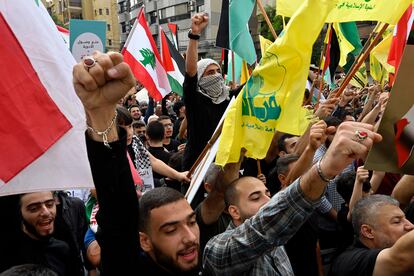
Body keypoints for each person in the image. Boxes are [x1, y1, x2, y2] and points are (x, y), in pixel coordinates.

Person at [72, 51, 381, 275]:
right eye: (170, 230)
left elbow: (266, 225)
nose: (189, 237)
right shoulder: (131, 266)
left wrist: (326, 167)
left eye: (190, 222)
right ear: (145, 241)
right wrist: (101, 116)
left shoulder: (213, 258)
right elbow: (117, 208)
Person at [202, 119, 382, 275]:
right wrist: (324, 168)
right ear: (234, 211)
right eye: (255, 197)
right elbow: (266, 225)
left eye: (268, 194)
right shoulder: (218, 251)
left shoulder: (277, 242)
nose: (268, 201)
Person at [182, 13, 242, 171]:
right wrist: (194, 35)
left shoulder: (231, 97)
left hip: (224, 164)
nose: (215, 75)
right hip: (197, 165)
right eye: (209, 73)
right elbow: (190, 73)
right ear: (201, 78)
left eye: (217, 71)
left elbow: (256, 81)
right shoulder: (195, 99)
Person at [330, 195, 414, 276]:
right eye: (397, 221)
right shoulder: (350, 261)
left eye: (405, 219)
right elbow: (402, 259)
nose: (411, 226)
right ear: (368, 232)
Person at [0, 192, 71, 275]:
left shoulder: (62, 249)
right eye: (34, 209)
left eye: (50, 204)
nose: (46, 213)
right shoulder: (7, 253)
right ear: (20, 213)